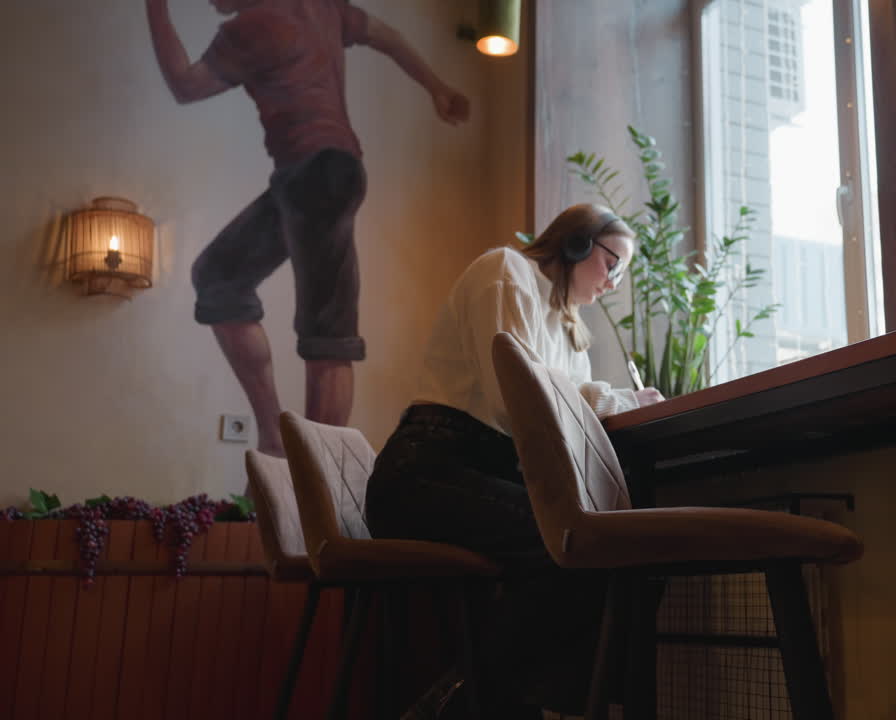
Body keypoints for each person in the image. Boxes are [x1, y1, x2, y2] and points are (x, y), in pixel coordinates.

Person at [365, 203, 665, 718]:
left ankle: (485, 702)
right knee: (573, 543)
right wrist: (619, 402)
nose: (614, 283)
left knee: (602, 549)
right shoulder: (507, 272)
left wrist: (612, 401)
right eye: (613, 265)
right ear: (577, 244)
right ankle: (455, 706)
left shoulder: (570, 329)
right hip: (428, 470)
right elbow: (517, 402)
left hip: (479, 470)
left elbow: (566, 406)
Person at [145, 0, 470, 457]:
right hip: (315, 175)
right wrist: (436, 87)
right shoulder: (324, 7)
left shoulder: (249, 28)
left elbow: (184, 84)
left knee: (327, 335)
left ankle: (313, 467)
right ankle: (277, 439)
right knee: (219, 279)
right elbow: (389, 38)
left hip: (316, 174)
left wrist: (156, 9)